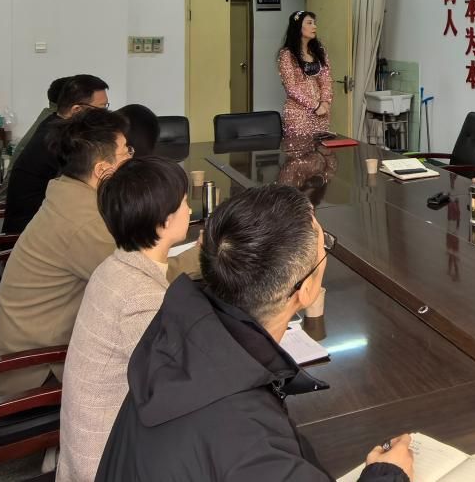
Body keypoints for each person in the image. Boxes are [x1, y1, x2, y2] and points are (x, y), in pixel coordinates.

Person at [96, 184, 413, 482]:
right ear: (305, 289)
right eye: (324, 244)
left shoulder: (176, 337)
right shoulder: (247, 438)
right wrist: (389, 473)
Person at [0, 109, 198, 396]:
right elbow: (143, 277)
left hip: (43, 344)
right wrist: (199, 257)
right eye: (126, 151)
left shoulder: (69, 192)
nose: (132, 157)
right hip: (38, 372)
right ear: (102, 170)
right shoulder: (83, 224)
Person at [57, 156, 191, 482]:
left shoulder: (115, 267)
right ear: (163, 223)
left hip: (94, 446)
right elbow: (174, 391)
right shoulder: (140, 298)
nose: (190, 210)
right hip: (107, 462)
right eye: (184, 202)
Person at [2, 74, 110, 234]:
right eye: (101, 109)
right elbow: (81, 190)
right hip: (30, 232)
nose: (105, 116)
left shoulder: (54, 125)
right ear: (77, 110)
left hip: (44, 221)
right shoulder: (58, 142)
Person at [277, 10, 332, 139]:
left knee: (320, 148)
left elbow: (326, 80)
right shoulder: (287, 54)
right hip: (297, 114)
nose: (314, 26)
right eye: (309, 23)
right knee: (299, 149)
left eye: (314, 23)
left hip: (320, 113)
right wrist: (315, 105)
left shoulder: (319, 51)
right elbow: (291, 88)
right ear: (298, 27)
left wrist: (325, 103)